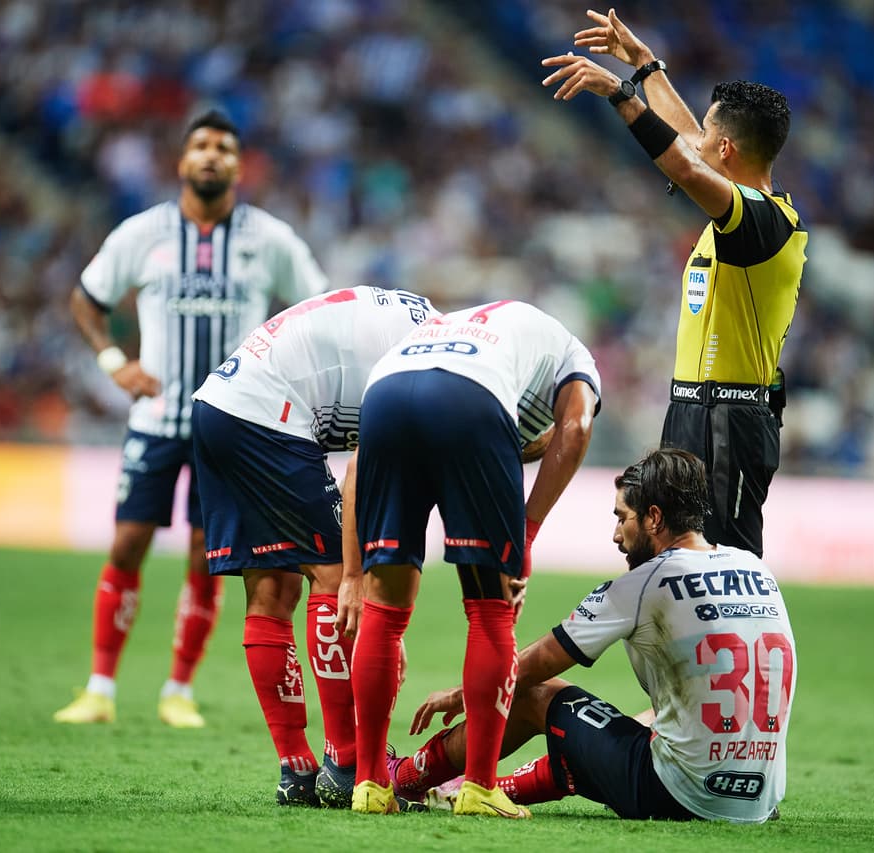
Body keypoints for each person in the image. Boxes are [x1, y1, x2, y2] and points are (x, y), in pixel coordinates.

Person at [55, 110, 328, 728]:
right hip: (156, 418)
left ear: (238, 164)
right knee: (128, 542)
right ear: (182, 162)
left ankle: (178, 689)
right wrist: (113, 361)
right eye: (200, 146)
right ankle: (99, 686)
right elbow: (86, 298)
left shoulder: (271, 238)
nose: (211, 156)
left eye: (224, 148)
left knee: (209, 553)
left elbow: (315, 306)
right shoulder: (143, 233)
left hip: (232, 427)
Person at [391, 447, 797, 823]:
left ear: (654, 518)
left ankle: (408, 776)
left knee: (536, 692)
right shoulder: (756, 568)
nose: (616, 535)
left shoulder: (644, 582)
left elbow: (534, 666)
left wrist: (459, 694)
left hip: (679, 795)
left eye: (623, 517)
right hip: (758, 800)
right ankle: (497, 788)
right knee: (639, 724)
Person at [541, 10, 808, 558]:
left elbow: (684, 166)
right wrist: (645, 64)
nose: (697, 142)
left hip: (732, 420)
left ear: (727, 150)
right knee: (660, 557)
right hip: (689, 409)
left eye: (709, 136)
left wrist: (623, 95)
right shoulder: (735, 210)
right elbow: (687, 144)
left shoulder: (766, 222)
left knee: (723, 567)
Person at [338, 299, 601, 817]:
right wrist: (522, 533)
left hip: (384, 395)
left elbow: (357, 465)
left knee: (385, 612)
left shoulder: (463, 327)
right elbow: (574, 430)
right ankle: (480, 787)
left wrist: (353, 572)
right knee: (490, 608)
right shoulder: (574, 355)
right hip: (470, 400)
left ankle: (369, 785)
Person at [189, 286, 437, 807]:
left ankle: (296, 769)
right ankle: (346, 762)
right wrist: (368, 590)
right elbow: (360, 475)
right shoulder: (425, 365)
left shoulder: (420, 329)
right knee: (330, 577)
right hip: (269, 415)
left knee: (272, 589)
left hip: (221, 405)